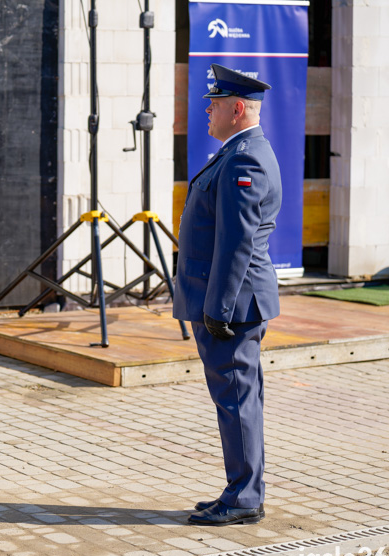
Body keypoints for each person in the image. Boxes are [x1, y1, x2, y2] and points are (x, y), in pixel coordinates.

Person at [172, 63, 282, 526]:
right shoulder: (237, 151)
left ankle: (243, 497)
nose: (207, 112)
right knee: (239, 400)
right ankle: (243, 488)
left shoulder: (245, 158)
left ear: (237, 108)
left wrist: (216, 309)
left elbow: (236, 242)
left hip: (232, 306)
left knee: (237, 400)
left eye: (214, 104)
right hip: (230, 302)